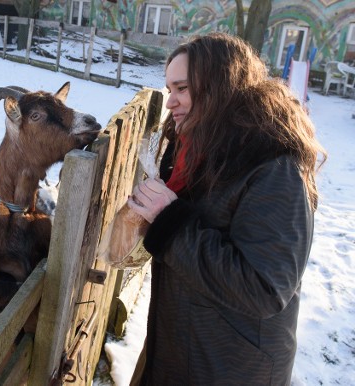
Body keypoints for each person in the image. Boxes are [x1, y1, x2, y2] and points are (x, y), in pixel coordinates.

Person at [124, 33, 326, 385]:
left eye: (182, 88)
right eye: (169, 88)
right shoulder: (196, 148)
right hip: (181, 349)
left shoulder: (273, 164)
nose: (170, 102)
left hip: (232, 367)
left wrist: (170, 223)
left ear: (221, 86)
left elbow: (265, 288)